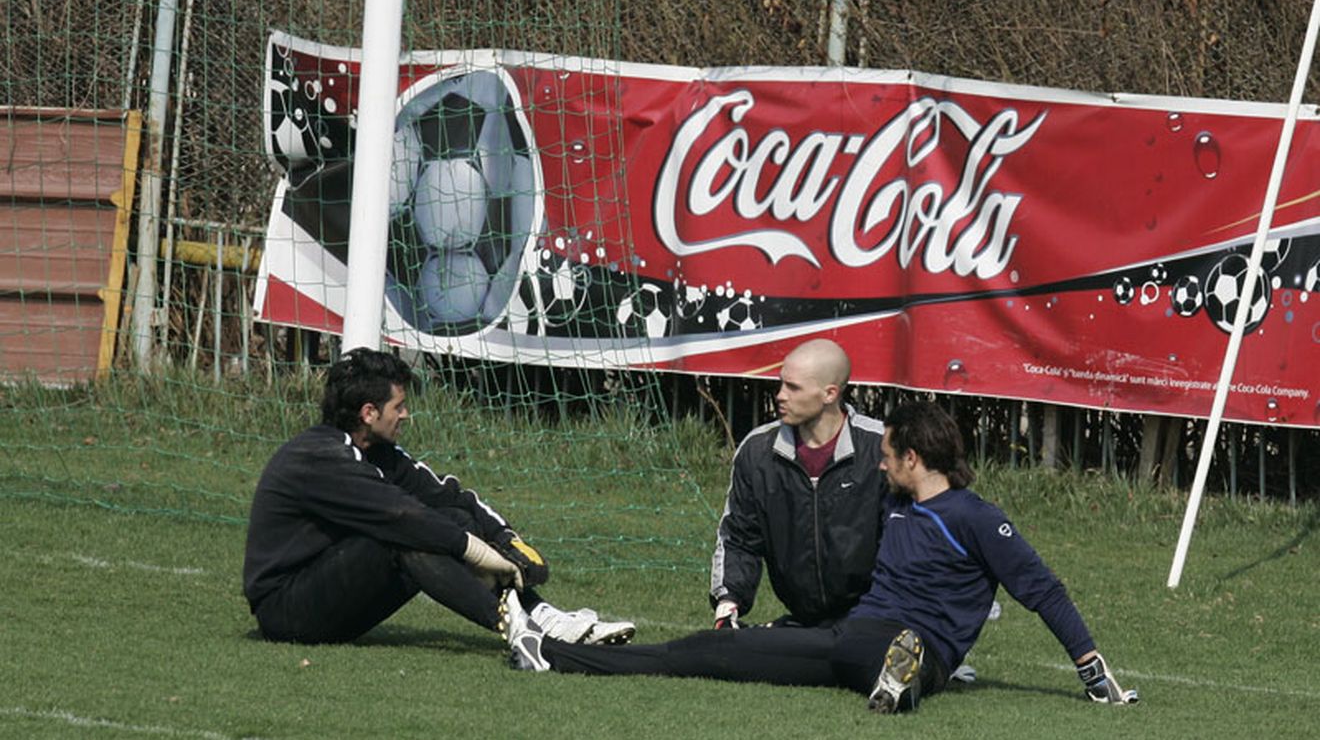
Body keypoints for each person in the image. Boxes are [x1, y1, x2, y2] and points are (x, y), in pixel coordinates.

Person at [500, 401, 1138, 713]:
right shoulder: (890, 505)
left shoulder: (976, 518)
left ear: (912, 459)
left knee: (892, 649)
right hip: (844, 638)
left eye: (888, 454)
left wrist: (1092, 672)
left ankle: (902, 677)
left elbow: (1044, 591)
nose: (879, 461)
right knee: (703, 653)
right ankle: (548, 653)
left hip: (925, 646)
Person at [242, 347, 634, 646]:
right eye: (399, 406)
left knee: (450, 518)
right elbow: (403, 517)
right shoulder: (320, 456)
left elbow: (450, 497)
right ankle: (519, 630)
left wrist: (506, 540)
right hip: (286, 609)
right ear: (368, 412)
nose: (406, 415)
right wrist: (479, 553)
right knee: (407, 535)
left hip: (329, 593)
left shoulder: (379, 454)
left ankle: (542, 617)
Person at [709, 338, 886, 630]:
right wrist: (728, 602)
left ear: (830, 394)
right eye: (781, 385)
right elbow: (739, 537)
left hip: (877, 618)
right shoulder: (757, 452)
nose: (780, 395)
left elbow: (908, 543)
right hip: (802, 622)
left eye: (793, 388)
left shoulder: (881, 448)